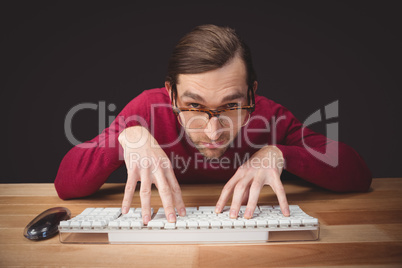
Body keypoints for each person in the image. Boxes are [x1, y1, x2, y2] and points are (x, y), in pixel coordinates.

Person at [55, 24, 372, 225]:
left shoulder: (270, 116)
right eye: (193, 106)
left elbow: (357, 175)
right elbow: (66, 184)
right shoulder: (145, 110)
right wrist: (126, 139)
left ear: (252, 93)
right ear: (171, 93)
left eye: (231, 106)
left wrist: (282, 154)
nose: (213, 132)